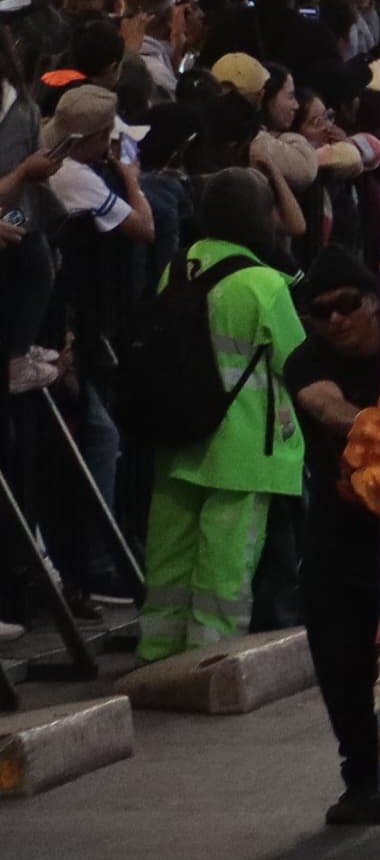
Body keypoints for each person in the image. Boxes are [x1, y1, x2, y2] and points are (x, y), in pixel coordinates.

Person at [132, 165, 305, 662]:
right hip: (244, 450)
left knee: (170, 556)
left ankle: (157, 651)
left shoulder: (179, 267)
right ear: (260, 218)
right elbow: (296, 363)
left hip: (178, 437)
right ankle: (211, 660)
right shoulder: (263, 284)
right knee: (225, 568)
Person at [284, 252, 380, 818]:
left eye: (346, 305)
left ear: (371, 301)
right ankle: (362, 775)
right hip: (342, 525)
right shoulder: (307, 359)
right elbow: (324, 404)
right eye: (321, 313)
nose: (336, 320)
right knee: (336, 643)